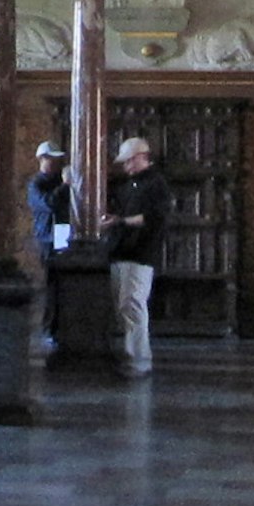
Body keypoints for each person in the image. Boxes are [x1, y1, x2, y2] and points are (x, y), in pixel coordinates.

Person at [101, 134, 162, 379]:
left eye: (129, 161)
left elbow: (155, 217)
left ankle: (139, 360)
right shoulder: (129, 185)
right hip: (121, 253)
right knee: (124, 308)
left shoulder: (155, 184)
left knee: (133, 306)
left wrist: (121, 221)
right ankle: (130, 356)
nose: (126, 166)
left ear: (141, 158)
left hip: (140, 254)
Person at [27, 140, 74, 254]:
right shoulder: (35, 184)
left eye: (57, 160)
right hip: (46, 237)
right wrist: (65, 185)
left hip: (63, 232)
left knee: (64, 264)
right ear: (41, 159)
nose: (55, 163)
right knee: (51, 267)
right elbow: (48, 204)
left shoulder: (59, 179)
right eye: (51, 159)